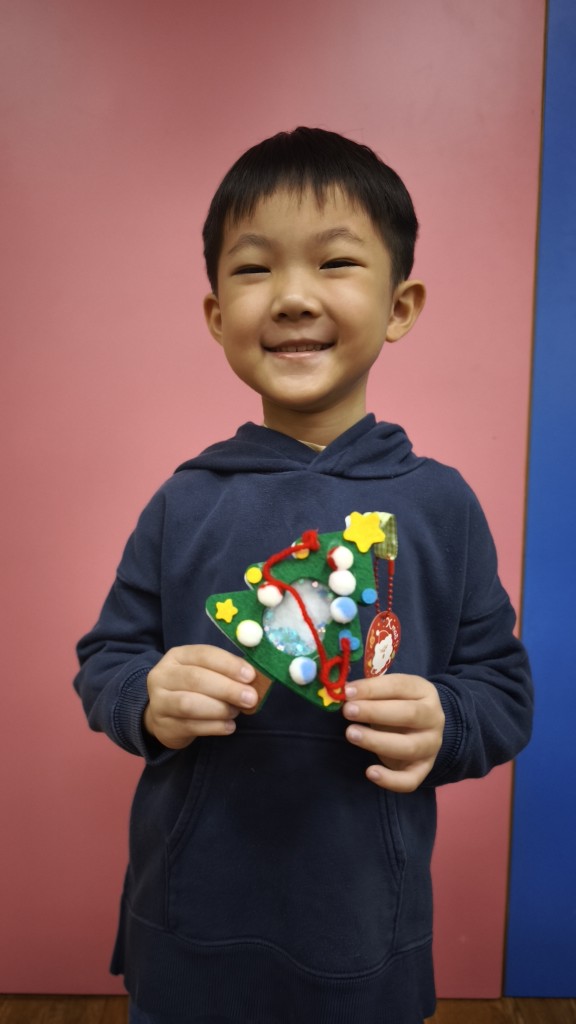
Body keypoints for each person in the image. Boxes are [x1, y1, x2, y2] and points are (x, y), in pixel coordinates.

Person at [74, 127, 533, 1024]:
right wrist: (147, 697)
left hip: (365, 933)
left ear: (400, 305)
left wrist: (448, 722)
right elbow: (107, 660)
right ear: (217, 316)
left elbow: (503, 692)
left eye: (335, 263)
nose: (290, 297)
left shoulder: (441, 506)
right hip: (187, 926)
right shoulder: (183, 500)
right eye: (254, 269)